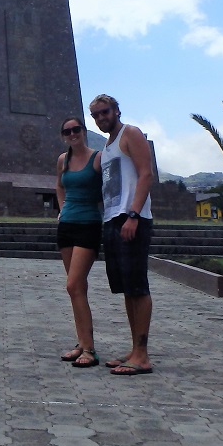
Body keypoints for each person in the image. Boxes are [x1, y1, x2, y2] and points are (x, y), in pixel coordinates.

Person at [90, 94, 155, 376]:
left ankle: (142, 355)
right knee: (127, 287)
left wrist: (134, 214)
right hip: (112, 220)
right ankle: (134, 349)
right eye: (96, 115)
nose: (101, 118)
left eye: (105, 112)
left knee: (138, 286)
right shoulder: (105, 147)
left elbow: (146, 174)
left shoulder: (131, 133)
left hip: (131, 220)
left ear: (117, 110)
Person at [55, 116, 104, 369]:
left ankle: (90, 349)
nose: (72, 134)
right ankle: (82, 342)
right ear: (63, 136)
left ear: (84, 131)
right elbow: (59, 187)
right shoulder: (63, 160)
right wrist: (63, 210)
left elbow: (110, 188)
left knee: (73, 285)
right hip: (67, 226)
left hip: (88, 225)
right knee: (78, 289)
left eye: (76, 129)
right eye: (67, 131)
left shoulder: (98, 158)